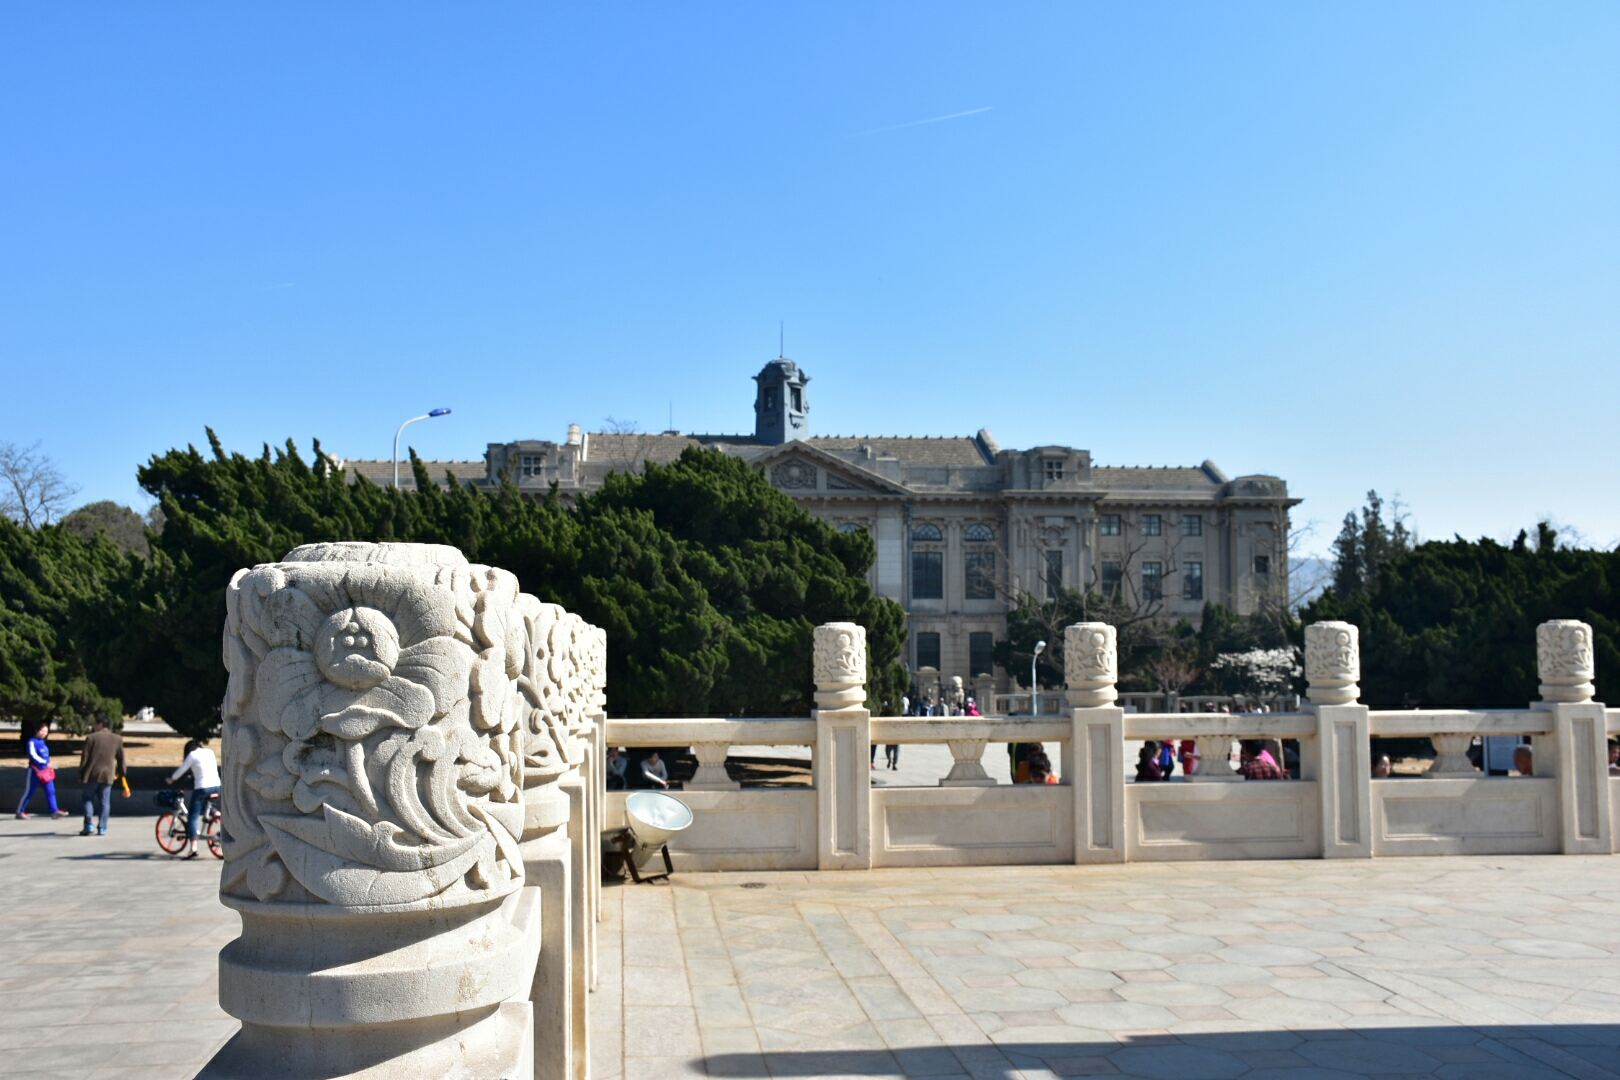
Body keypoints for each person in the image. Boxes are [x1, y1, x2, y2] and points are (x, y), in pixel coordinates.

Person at [167, 738, 221, 859]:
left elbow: (181, 770)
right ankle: (217, 815)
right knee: (208, 805)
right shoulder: (210, 752)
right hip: (217, 786)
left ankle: (193, 848)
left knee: (192, 817)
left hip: (202, 788)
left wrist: (172, 779)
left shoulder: (192, 755)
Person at [78, 717, 125, 836]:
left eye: (96, 724)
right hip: (108, 775)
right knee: (105, 801)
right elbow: (121, 758)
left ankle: (88, 824)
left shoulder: (91, 738)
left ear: (100, 724)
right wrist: (122, 773)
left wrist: (81, 773)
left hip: (91, 774)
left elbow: (85, 758)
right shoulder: (117, 739)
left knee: (87, 798)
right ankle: (102, 827)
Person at [16, 722, 69, 819]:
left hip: (45, 772)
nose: (44, 733)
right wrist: (44, 762)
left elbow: (46, 756)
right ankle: (20, 811)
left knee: (51, 790)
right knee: (29, 791)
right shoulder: (32, 742)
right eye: (42, 731)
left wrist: (50, 763)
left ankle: (54, 811)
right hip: (34, 771)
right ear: (37, 730)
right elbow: (33, 755)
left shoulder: (43, 743)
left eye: (46, 731)